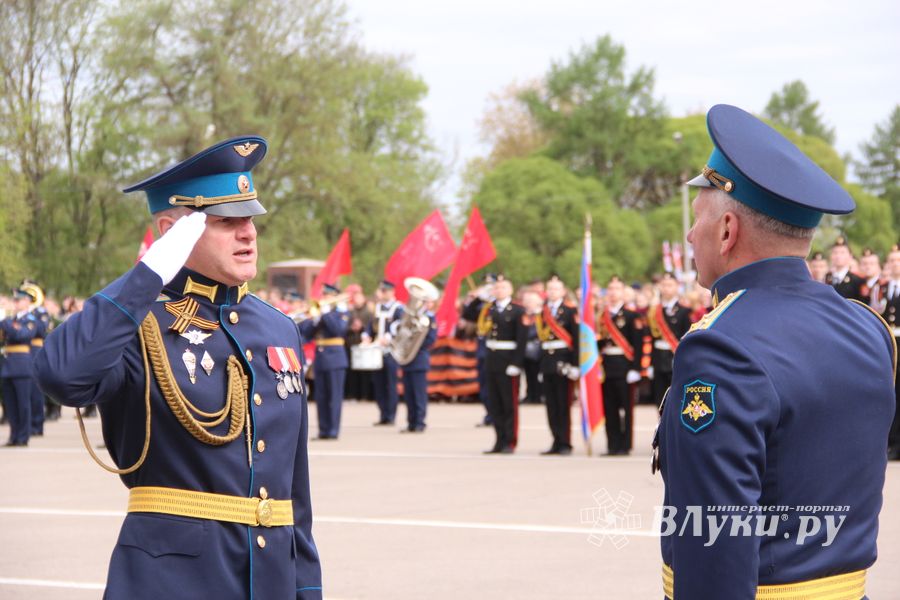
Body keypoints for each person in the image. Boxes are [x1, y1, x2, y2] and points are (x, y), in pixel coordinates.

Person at [34, 136, 322, 598]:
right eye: (227, 221)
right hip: (174, 581)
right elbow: (62, 375)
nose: (248, 232)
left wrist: (307, 588)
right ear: (172, 230)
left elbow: (294, 490)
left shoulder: (279, 329)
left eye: (250, 218)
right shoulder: (138, 324)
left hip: (271, 580)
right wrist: (148, 276)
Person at [655, 104, 894, 599]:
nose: (689, 233)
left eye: (697, 219)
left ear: (727, 230)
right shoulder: (867, 328)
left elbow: (714, 539)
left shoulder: (720, 346)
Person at [597, 276, 644, 456]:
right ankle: (612, 444)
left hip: (625, 367)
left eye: (617, 289)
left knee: (626, 408)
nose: (613, 293)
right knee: (609, 409)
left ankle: (625, 444)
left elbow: (638, 344)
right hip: (606, 367)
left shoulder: (632, 315)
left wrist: (636, 368)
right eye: (610, 289)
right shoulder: (602, 316)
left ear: (623, 292)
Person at [482, 276, 527, 454]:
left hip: (508, 361)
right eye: (496, 288)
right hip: (492, 361)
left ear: (510, 290)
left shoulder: (517, 310)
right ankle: (498, 440)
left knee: (509, 404)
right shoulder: (489, 309)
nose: (498, 290)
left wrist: (516, 363)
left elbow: (521, 340)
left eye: (502, 287)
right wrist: (479, 297)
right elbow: (470, 315)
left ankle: (510, 441)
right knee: (495, 404)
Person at [299, 283, 349, 440]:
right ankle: (324, 429)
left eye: (328, 294)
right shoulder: (322, 312)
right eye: (324, 294)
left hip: (335, 357)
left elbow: (337, 330)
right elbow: (307, 334)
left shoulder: (341, 312)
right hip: (320, 357)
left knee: (334, 396)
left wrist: (326, 314)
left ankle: (333, 430)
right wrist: (315, 319)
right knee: (321, 396)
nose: (325, 297)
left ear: (334, 296)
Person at [536, 276, 579, 455]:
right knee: (551, 406)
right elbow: (541, 341)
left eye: (556, 289)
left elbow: (577, 340)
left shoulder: (570, 310)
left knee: (563, 405)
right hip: (547, 363)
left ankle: (565, 443)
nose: (552, 292)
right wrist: (540, 367)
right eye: (550, 289)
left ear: (562, 291)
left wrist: (575, 365)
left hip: (564, 362)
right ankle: (555, 440)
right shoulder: (543, 312)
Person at [397, 280, 438, 432]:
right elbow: (401, 331)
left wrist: (413, 343)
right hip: (408, 359)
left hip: (419, 358)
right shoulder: (408, 315)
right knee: (408, 394)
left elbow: (431, 339)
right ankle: (411, 422)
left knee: (418, 393)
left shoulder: (430, 318)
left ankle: (420, 422)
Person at [646, 273, 692, 408]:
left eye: (670, 285)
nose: (666, 289)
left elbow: (688, 337)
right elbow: (651, 338)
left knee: (677, 398)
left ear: (677, 287)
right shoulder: (654, 311)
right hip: (658, 358)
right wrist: (649, 363)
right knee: (660, 399)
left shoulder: (684, 311)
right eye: (664, 285)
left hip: (676, 357)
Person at [1, 288, 38, 447]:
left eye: (19, 300)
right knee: (10, 404)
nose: (16, 303)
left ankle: (23, 437)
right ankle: (14, 435)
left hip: (22, 365)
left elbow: (22, 335)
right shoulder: (11, 320)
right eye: (15, 300)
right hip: (7, 365)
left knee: (23, 403)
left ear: (27, 302)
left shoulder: (31, 319)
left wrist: (5, 323)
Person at [366, 280, 403, 425]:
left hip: (391, 351)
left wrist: (388, 337)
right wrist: (366, 335)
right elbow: (371, 326)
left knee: (390, 384)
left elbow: (400, 326)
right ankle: (383, 414)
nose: (382, 294)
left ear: (391, 292)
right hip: (377, 351)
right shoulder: (378, 308)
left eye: (385, 291)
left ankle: (391, 415)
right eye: (381, 291)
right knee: (379, 384)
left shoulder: (398, 308)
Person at [881, 245, 900, 461]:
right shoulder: (882, 289)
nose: (895, 264)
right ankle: (892, 441)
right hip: (891, 345)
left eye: (898, 260)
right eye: (892, 260)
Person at [343, 283, 374, 402]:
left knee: (364, 372)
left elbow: (371, 326)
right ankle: (352, 394)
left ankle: (364, 395)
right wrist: (352, 327)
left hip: (363, 344)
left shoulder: (368, 311)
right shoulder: (350, 311)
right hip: (350, 343)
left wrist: (362, 327)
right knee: (351, 372)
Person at [826, 236, 867, 301]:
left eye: (842, 253)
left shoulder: (857, 280)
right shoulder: (827, 278)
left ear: (850, 256)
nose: (838, 256)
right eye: (835, 252)